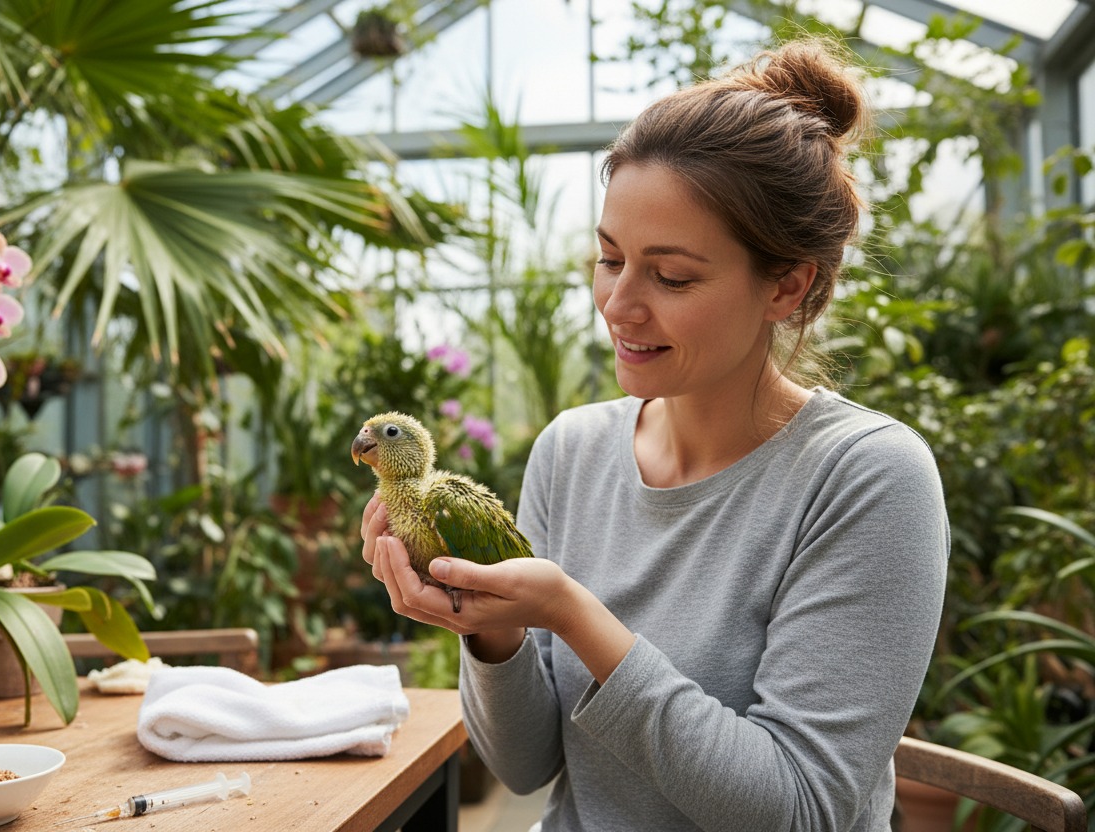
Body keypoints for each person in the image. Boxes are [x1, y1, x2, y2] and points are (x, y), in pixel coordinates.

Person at [360, 37, 948, 832]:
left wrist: (572, 614)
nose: (619, 305)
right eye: (609, 259)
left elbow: (800, 810)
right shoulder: (571, 452)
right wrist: (492, 626)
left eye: (671, 277)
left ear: (787, 285)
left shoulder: (865, 478)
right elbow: (526, 767)